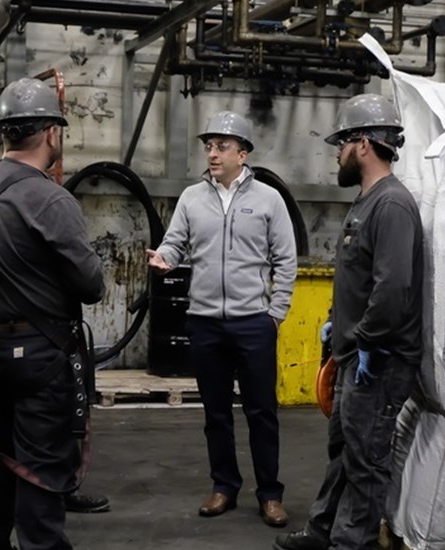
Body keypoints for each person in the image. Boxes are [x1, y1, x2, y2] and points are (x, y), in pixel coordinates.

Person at [0, 77, 105, 550]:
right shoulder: (50, 198)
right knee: (42, 471)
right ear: (50, 133)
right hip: (43, 356)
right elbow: (91, 286)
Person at [274, 94, 423, 550]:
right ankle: (323, 532)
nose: (337, 153)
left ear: (362, 144)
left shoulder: (391, 205)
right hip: (353, 355)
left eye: (341, 143)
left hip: (378, 361)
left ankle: (350, 544)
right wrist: (336, 326)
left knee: (365, 461)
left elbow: (392, 289)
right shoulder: (365, 202)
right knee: (343, 451)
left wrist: (365, 340)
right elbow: (359, 281)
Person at [146, 111, 298, 527]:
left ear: (243, 154)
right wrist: (165, 258)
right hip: (205, 322)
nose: (213, 154)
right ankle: (224, 487)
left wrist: (275, 314)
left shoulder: (268, 200)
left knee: (261, 412)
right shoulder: (192, 198)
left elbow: (286, 260)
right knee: (215, 413)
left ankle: (270, 494)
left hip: (254, 323)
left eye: (222, 147)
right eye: (209, 147)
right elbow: (175, 242)